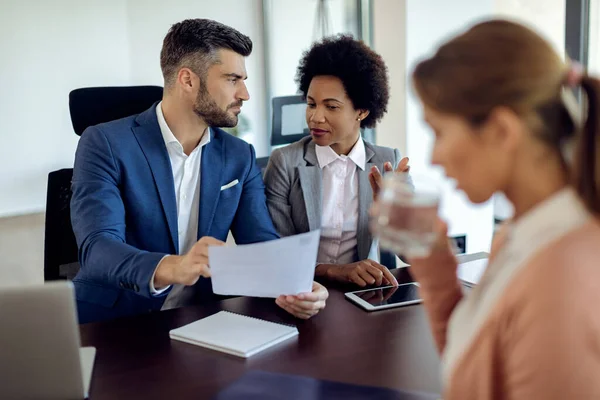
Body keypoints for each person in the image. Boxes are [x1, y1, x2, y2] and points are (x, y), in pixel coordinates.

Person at [386, 19, 600, 399]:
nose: (434, 158)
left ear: (502, 130)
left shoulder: (558, 283)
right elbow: (473, 360)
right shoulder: (519, 233)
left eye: (439, 132)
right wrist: (431, 255)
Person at [71, 19, 327, 324]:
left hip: (199, 319)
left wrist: (294, 284)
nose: (244, 93)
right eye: (233, 79)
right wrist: (174, 266)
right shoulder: (104, 143)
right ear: (188, 80)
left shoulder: (238, 156)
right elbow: (98, 248)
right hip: (116, 323)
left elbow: (260, 243)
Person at [264, 35, 409, 288]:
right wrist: (333, 271)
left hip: (365, 293)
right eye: (311, 104)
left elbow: (413, 255)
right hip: (300, 291)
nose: (315, 117)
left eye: (331, 107)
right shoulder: (285, 162)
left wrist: (396, 219)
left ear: (362, 111)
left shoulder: (388, 162)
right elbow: (277, 254)